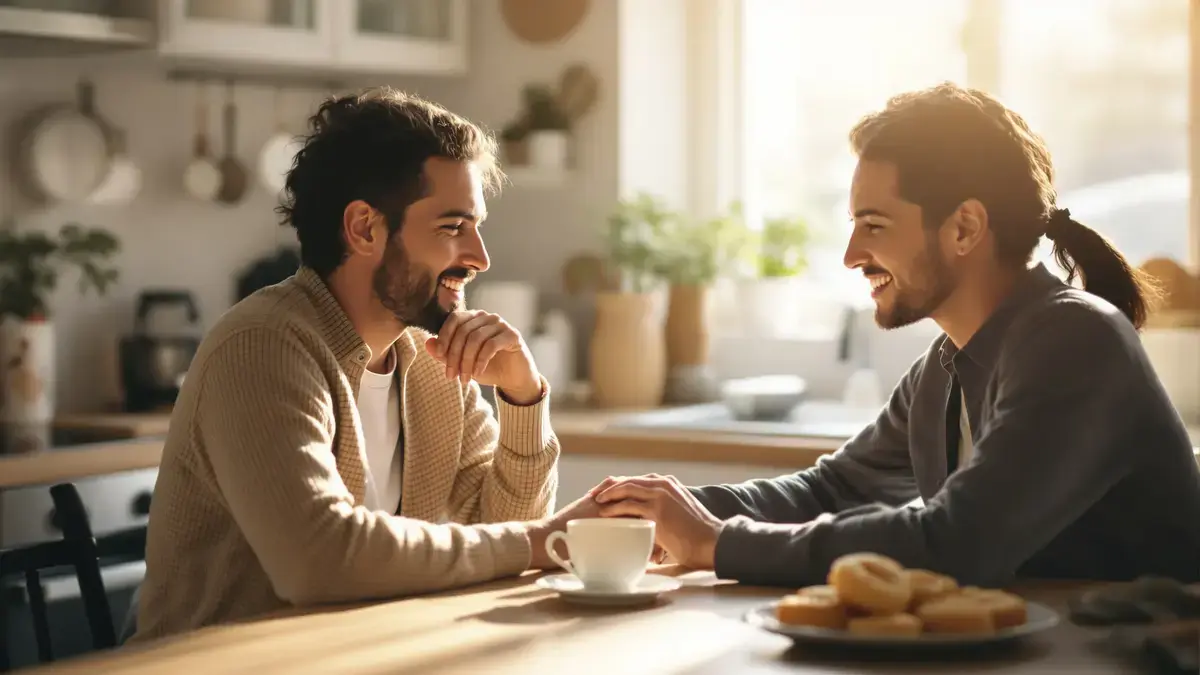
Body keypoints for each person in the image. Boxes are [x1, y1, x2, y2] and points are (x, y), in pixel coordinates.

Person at [589, 82, 1200, 588]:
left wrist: (718, 543)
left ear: (964, 227)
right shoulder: (945, 366)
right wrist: (655, 510)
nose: (853, 254)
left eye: (874, 225)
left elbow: (958, 541)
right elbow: (834, 487)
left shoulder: (1077, 340)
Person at [130, 88, 596, 643]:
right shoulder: (263, 346)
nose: (479, 256)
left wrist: (522, 396)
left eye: (476, 226)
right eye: (452, 227)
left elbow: (502, 532)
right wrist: (542, 541)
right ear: (364, 229)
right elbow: (319, 559)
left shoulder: (428, 358)